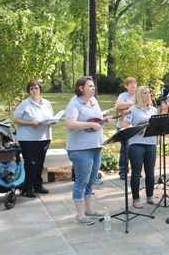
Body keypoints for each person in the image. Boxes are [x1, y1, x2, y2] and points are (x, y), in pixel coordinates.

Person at [65, 76, 114, 225]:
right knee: (81, 181)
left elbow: (94, 120)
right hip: (80, 149)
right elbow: (70, 123)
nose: (94, 88)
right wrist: (91, 125)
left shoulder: (94, 102)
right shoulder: (74, 104)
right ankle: (79, 215)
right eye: (90, 86)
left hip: (96, 146)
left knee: (90, 180)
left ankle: (89, 210)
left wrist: (104, 119)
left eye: (94, 86)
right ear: (81, 88)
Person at [13, 80, 54, 197]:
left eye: (36, 88)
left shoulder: (46, 103)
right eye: (32, 89)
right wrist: (31, 123)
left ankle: (38, 185)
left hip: (44, 137)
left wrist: (53, 121)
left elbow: (50, 117)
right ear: (29, 91)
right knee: (31, 163)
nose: (34, 91)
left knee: (40, 163)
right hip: (28, 139)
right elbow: (16, 120)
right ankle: (28, 188)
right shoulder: (24, 104)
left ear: (40, 89)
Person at [121, 86, 159, 208]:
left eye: (149, 93)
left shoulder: (153, 110)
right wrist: (138, 129)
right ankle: (136, 199)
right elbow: (124, 125)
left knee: (150, 173)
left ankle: (150, 196)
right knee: (136, 173)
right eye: (144, 93)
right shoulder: (133, 110)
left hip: (151, 143)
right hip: (136, 144)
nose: (148, 95)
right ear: (139, 95)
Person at [114, 77, 137, 180]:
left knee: (134, 149)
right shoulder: (123, 96)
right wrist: (131, 104)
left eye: (135, 83)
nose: (133, 85)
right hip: (123, 126)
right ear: (126, 86)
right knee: (125, 149)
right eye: (131, 83)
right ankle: (123, 171)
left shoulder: (138, 95)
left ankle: (135, 170)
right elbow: (117, 105)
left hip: (135, 126)